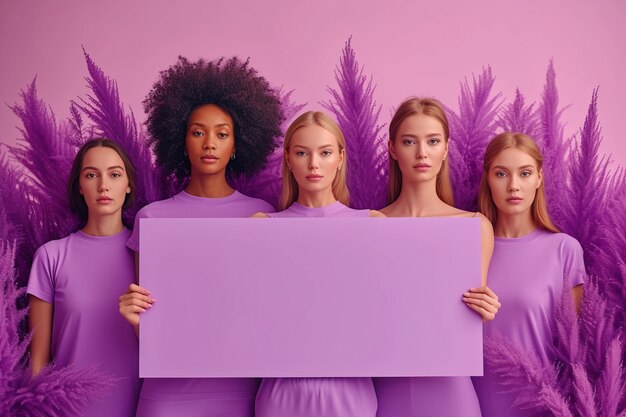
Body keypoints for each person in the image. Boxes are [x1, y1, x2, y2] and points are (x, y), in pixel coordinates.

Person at [117, 56, 283, 417]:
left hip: (241, 394)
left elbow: (271, 311)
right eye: (198, 132)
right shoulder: (152, 218)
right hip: (167, 396)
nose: (210, 143)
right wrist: (134, 318)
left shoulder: (263, 215)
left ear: (237, 145)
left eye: (222, 134)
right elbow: (151, 327)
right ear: (182, 140)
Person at [374, 97, 500, 417]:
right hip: (386, 389)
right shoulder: (369, 225)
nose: (421, 153)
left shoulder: (473, 226)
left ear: (445, 148)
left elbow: (469, 316)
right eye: (409, 142)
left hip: (452, 390)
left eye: (432, 141)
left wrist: (485, 310)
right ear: (392, 148)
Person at [253, 111, 383, 417]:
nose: (313, 164)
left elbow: (388, 309)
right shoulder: (260, 227)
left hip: (351, 391)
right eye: (302, 153)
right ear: (287, 159)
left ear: (340, 157)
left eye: (324, 153)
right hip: (280, 391)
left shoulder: (373, 224)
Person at [472, 132, 585, 417]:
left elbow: (572, 349)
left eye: (524, 173)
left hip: (539, 404)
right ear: (488, 178)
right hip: (471, 402)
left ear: (539, 178)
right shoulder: (467, 247)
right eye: (501, 174)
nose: (513, 186)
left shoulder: (564, 250)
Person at [28, 138, 140, 417]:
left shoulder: (147, 255)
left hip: (138, 408)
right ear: (80, 186)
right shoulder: (50, 257)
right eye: (92, 175)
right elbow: (38, 364)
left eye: (114, 174)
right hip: (69, 411)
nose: (104, 185)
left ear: (128, 185)